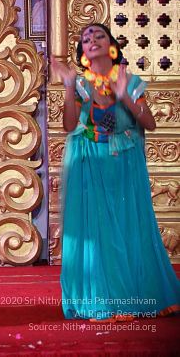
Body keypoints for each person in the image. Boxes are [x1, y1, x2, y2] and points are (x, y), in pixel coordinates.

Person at [51, 23, 179, 321]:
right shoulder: (80, 85)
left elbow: (149, 124)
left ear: (111, 46)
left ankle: (139, 295)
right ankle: (104, 300)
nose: (92, 40)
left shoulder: (130, 82)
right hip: (91, 165)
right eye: (86, 39)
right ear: (83, 52)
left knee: (127, 229)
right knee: (99, 234)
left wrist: (124, 97)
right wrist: (68, 86)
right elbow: (69, 126)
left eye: (99, 35)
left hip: (124, 165)